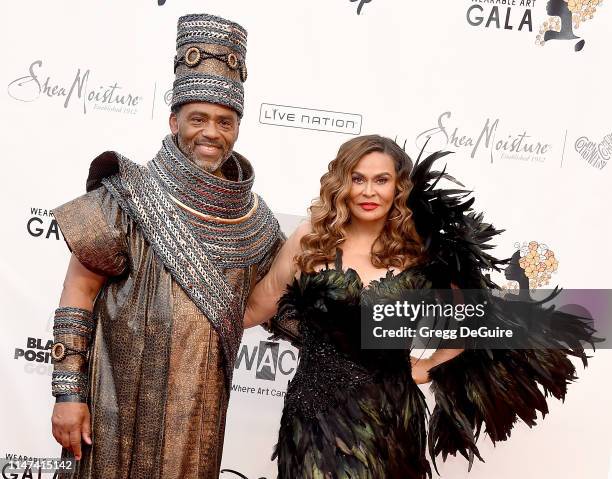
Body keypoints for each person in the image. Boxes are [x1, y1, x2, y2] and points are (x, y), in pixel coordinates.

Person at [244, 135, 596, 478]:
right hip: (312, 419)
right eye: (358, 179)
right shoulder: (311, 239)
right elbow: (258, 305)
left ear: (399, 187)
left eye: (381, 180)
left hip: (390, 419)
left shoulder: (421, 252)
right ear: (341, 184)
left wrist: (428, 365)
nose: (369, 192)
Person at [50, 13, 282, 479]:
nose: (211, 133)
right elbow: (79, 291)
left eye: (224, 121)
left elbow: (277, 306)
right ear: (174, 119)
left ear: (237, 127)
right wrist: (68, 394)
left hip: (198, 419)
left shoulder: (255, 221)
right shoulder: (127, 194)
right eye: (198, 118)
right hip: (114, 407)